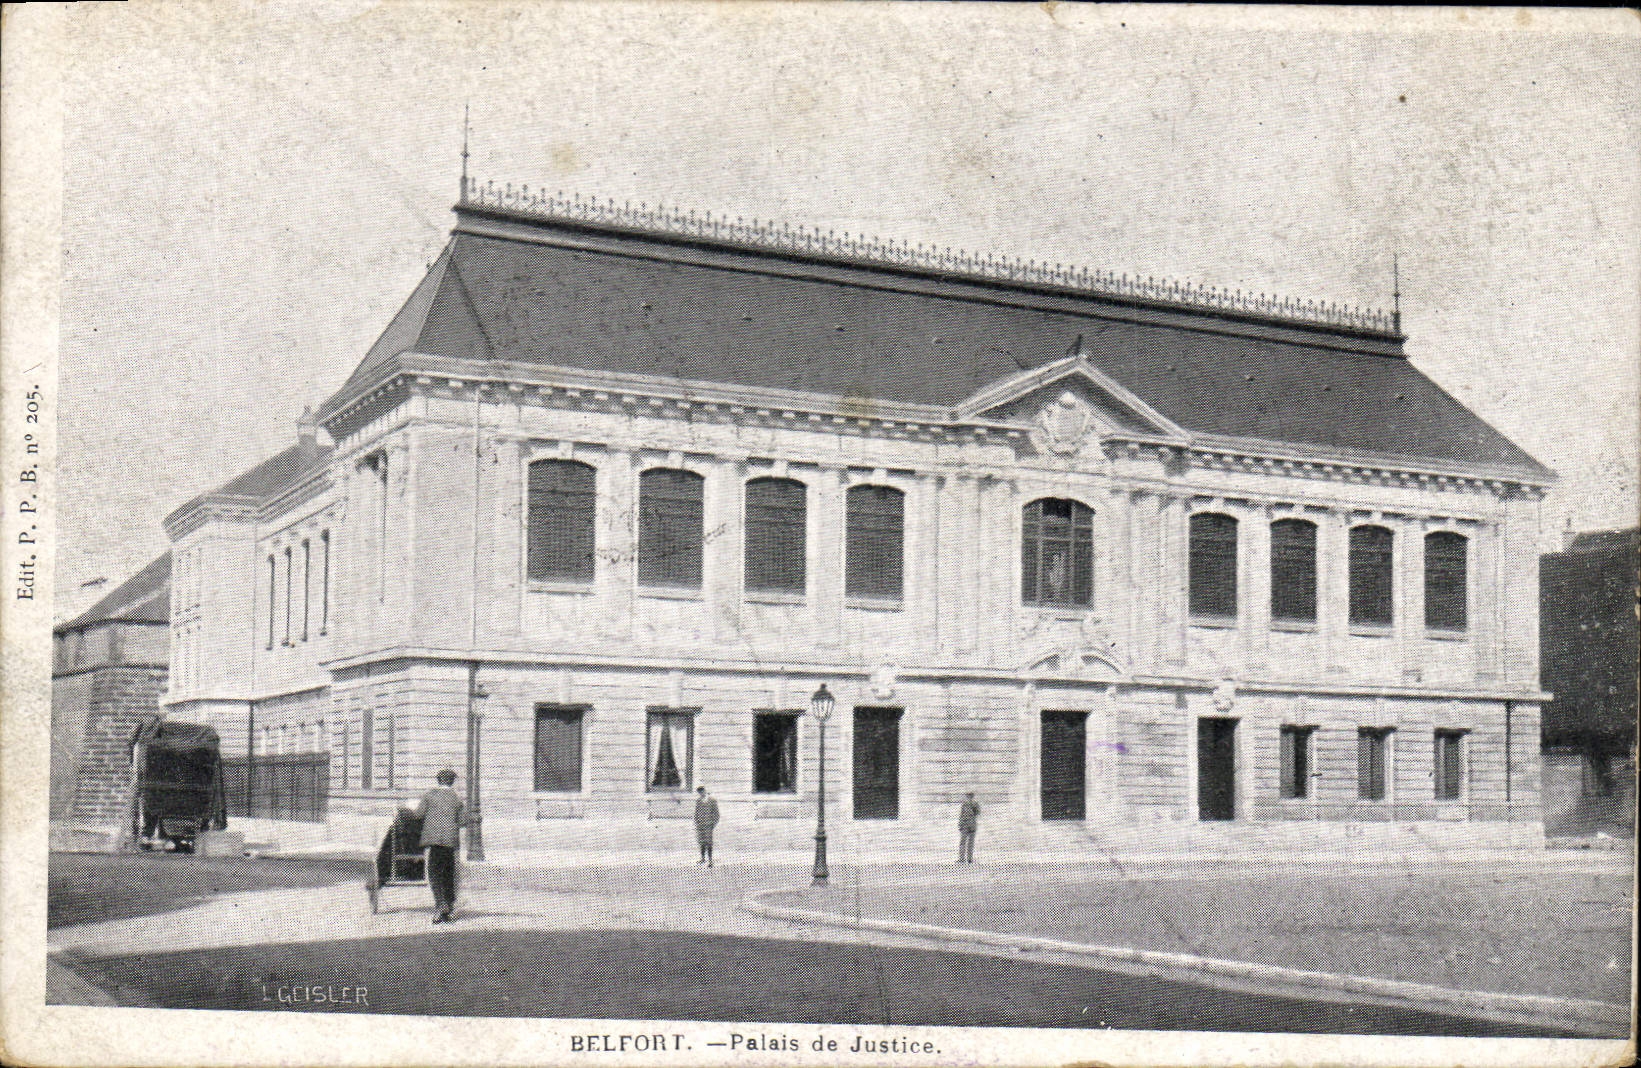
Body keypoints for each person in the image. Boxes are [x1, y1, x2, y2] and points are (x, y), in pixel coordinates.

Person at [415, 769, 466, 923]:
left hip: (434, 841)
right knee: (448, 874)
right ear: (452, 781)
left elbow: (418, 814)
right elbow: (463, 822)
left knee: (434, 873)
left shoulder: (429, 795)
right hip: (450, 842)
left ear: (438, 780)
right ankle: (449, 907)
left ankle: (440, 904)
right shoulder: (457, 798)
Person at [693, 785, 720, 866]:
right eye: (699, 792)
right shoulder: (698, 800)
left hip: (709, 825)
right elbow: (696, 812)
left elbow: (717, 814)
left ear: (705, 791)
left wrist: (713, 824)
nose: (701, 793)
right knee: (701, 842)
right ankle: (702, 858)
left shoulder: (712, 800)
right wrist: (697, 822)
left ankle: (710, 860)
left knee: (709, 842)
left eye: (702, 791)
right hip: (700, 825)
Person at [957, 791, 980, 864]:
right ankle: (962, 858)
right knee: (963, 842)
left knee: (969, 843)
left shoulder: (975, 804)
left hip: (971, 825)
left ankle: (969, 858)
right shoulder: (964, 805)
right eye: (968, 796)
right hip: (965, 825)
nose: (969, 797)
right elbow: (961, 815)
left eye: (970, 796)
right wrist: (960, 824)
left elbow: (977, 813)